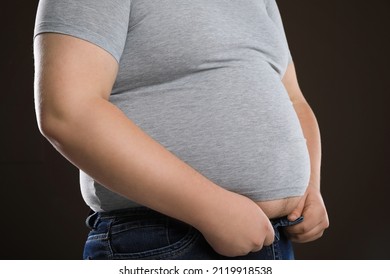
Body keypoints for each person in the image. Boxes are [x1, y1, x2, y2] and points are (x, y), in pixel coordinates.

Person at [33, 0, 329, 260]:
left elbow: (293, 97)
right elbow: (68, 111)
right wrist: (212, 209)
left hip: (272, 238)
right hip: (163, 240)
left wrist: (310, 188)